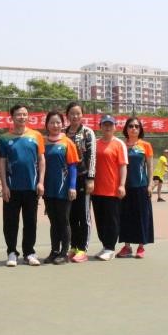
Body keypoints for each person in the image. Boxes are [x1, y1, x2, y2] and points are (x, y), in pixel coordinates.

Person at [0, 104, 46, 267]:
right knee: (10, 222)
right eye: (19, 114)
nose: (22, 117)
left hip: (31, 187)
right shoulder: (4, 138)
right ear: (12, 117)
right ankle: (12, 252)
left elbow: (41, 160)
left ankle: (29, 252)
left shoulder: (36, 135)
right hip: (12, 188)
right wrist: (4, 185)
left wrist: (41, 182)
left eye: (25, 114)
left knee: (30, 221)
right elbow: (2, 162)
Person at [42, 110, 79, 265]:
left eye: (58, 122)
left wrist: (72, 187)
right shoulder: (42, 142)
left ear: (62, 124)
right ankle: (54, 251)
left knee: (63, 220)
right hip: (48, 188)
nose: (55, 125)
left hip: (63, 189)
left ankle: (64, 253)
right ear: (47, 125)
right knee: (53, 221)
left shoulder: (67, 142)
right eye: (52, 122)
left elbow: (73, 166)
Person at [91, 115, 128, 261]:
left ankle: (110, 248)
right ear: (100, 126)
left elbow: (123, 166)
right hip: (96, 189)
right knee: (100, 220)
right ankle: (105, 245)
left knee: (111, 221)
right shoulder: (95, 143)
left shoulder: (119, 144)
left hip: (112, 190)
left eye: (110, 125)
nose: (107, 127)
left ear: (115, 127)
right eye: (105, 124)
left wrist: (122, 185)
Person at [64, 102, 96, 263]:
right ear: (67, 115)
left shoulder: (87, 133)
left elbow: (92, 156)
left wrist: (90, 178)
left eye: (78, 113)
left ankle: (83, 249)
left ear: (82, 115)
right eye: (72, 113)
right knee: (71, 215)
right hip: (68, 180)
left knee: (83, 215)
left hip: (83, 178)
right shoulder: (63, 133)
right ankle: (74, 246)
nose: (75, 116)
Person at [118, 118, 154, 259]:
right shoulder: (121, 145)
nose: (134, 128)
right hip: (125, 187)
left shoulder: (146, 145)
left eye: (136, 126)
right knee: (125, 216)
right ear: (126, 129)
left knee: (141, 216)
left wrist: (150, 184)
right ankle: (127, 247)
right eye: (131, 126)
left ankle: (141, 246)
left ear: (140, 129)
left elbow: (150, 166)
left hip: (141, 187)